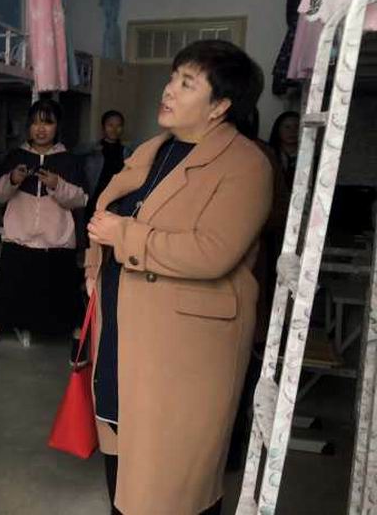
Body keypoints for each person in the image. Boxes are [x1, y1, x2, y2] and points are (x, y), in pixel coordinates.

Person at [85, 40, 273, 515]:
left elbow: (212, 252)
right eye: (173, 78)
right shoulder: (154, 149)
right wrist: (93, 272)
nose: (168, 90)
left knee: (173, 482)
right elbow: (106, 215)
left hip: (182, 352)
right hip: (122, 332)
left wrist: (124, 235)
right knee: (122, 459)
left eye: (186, 83)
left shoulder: (246, 164)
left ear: (220, 105)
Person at [0, 99, 88, 374]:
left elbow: (81, 199)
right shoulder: (15, 157)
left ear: (57, 127)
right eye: (35, 122)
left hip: (57, 244)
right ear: (28, 126)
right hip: (19, 242)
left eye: (47, 122)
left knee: (69, 299)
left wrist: (57, 185)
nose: (41, 129)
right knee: (3, 296)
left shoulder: (69, 160)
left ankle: (78, 347)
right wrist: (13, 180)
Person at [83, 110, 133, 223]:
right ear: (103, 127)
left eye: (118, 126)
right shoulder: (92, 150)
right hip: (93, 200)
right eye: (110, 125)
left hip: (116, 202)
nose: (114, 129)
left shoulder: (127, 152)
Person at [268, 110, 301, 187]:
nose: (292, 131)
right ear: (278, 130)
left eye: (297, 126)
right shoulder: (268, 155)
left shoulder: (312, 157)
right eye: (287, 127)